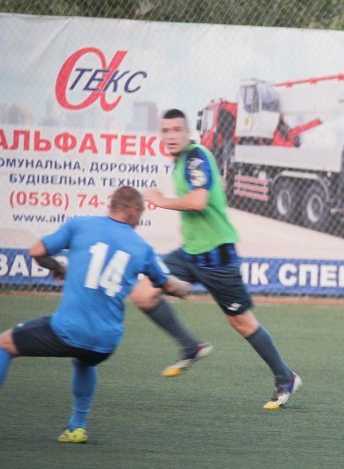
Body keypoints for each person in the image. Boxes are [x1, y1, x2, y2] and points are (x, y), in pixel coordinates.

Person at [131, 109, 301, 410]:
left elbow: (199, 201)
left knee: (242, 324)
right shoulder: (181, 162)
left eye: (177, 130)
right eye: (166, 130)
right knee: (143, 294)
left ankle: (285, 377)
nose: (171, 136)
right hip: (190, 253)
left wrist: (161, 201)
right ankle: (191, 346)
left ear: (187, 132)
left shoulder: (196, 157)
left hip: (217, 259)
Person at [0, 186, 191, 442]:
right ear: (133, 211)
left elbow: (36, 252)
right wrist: (186, 287)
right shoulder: (142, 248)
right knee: (84, 359)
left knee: (4, 344)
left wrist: (58, 267)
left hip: (67, 331)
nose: (140, 219)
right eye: (141, 213)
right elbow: (169, 285)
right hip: (105, 342)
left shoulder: (80, 225)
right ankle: (77, 428)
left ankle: (77, 427)